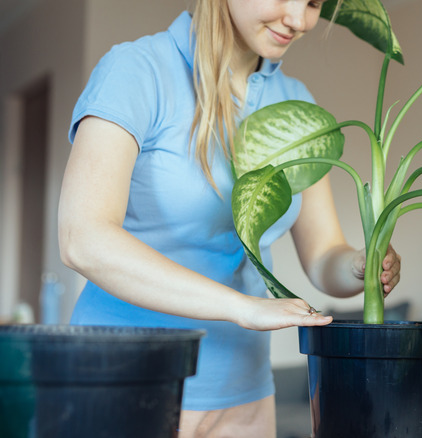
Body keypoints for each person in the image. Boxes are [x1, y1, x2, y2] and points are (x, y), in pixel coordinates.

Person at [57, 0, 401, 436]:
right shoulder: (137, 71)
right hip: (123, 382)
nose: (298, 20)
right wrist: (242, 308)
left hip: (245, 394)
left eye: (313, 2)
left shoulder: (296, 104)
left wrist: (361, 265)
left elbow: (324, 256)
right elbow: (81, 238)